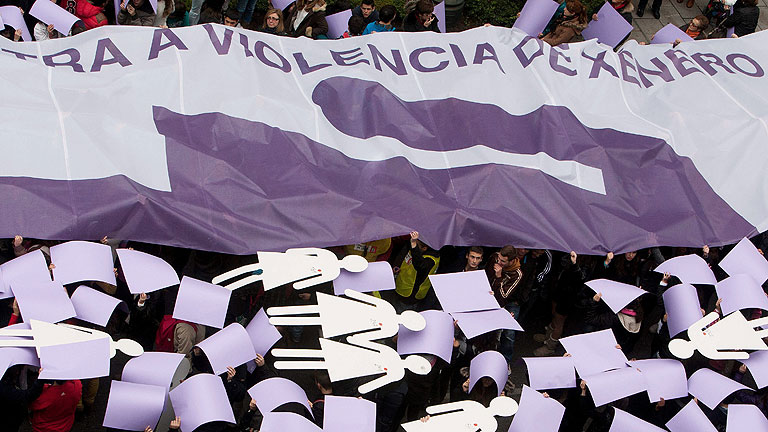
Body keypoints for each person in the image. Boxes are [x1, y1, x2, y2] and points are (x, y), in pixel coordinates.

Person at [485, 246, 524, 365]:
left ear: (511, 261)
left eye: (503, 261)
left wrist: (498, 277)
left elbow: (504, 296)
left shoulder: (517, 274)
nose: (498, 262)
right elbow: (485, 275)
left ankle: (505, 361)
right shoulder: (494, 258)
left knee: (508, 333)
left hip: (509, 302)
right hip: (489, 295)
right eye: (499, 258)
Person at [393, 231, 441, 312]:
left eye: (415, 244)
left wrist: (414, 246)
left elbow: (419, 264)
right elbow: (404, 252)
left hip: (410, 295)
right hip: (400, 283)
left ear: (424, 248)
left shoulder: (431, 260)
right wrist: (397, 264)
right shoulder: (415, 245)